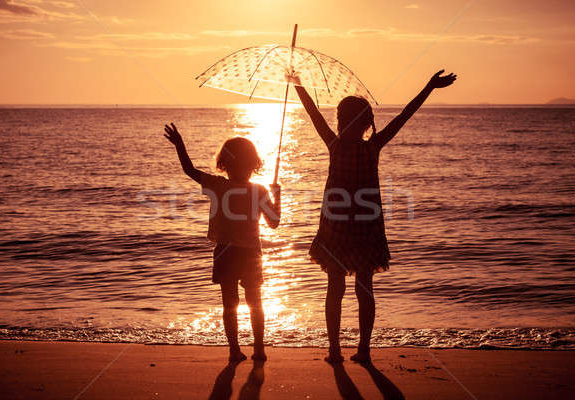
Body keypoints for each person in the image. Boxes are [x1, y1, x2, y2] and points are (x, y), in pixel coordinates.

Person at [290, 69, 457, 363]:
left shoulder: (335, 145)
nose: (339, 124)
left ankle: (335, 350)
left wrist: (299, 86)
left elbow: (314, 114)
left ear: (348, 123)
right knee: (362, 287)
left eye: (341, 120)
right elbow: (404, 116)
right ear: (367, 124)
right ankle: (362, 349)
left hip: (338, 228)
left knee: (337, 287)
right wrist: (428, 86)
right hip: (365, 227)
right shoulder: (372, 146)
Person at [163, 123, 281, 362]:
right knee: (255, 302)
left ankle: (234, 350)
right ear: (253, 164)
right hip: (250, 253)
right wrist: (277, 195)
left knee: (230, 303)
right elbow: (274, 222)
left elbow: (189, 169)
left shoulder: (218, 185)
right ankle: (259, 349)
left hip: (226, 252)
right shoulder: (259, 191)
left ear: (224, 164)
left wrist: (180, 145)